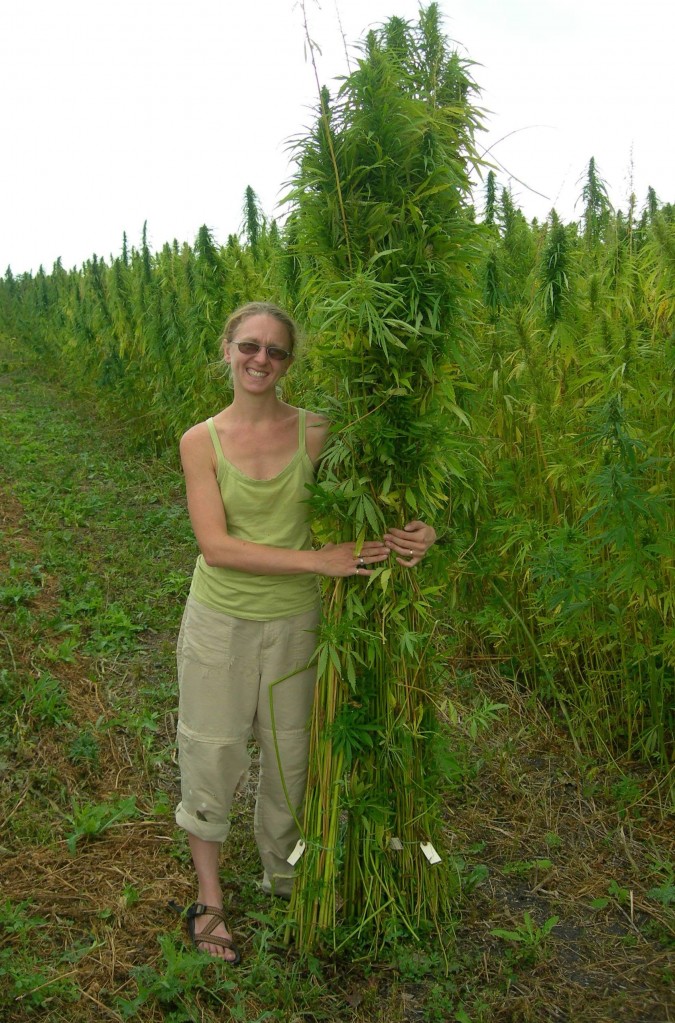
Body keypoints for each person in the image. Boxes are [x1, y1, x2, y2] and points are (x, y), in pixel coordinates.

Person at [174, 301, 436, 960]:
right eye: (249, 346)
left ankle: (285, 875)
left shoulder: (318, 432)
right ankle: (209, 899)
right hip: (220, 621)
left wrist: (418, 528)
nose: (261, 360)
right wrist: (316, 561)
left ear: (290, 361)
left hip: (298, 621)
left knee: (292, 758)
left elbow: (379, 497)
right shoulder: (199, 440)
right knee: (211, 749)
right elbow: (215, 545)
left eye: (276, 351)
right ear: (227, 349)